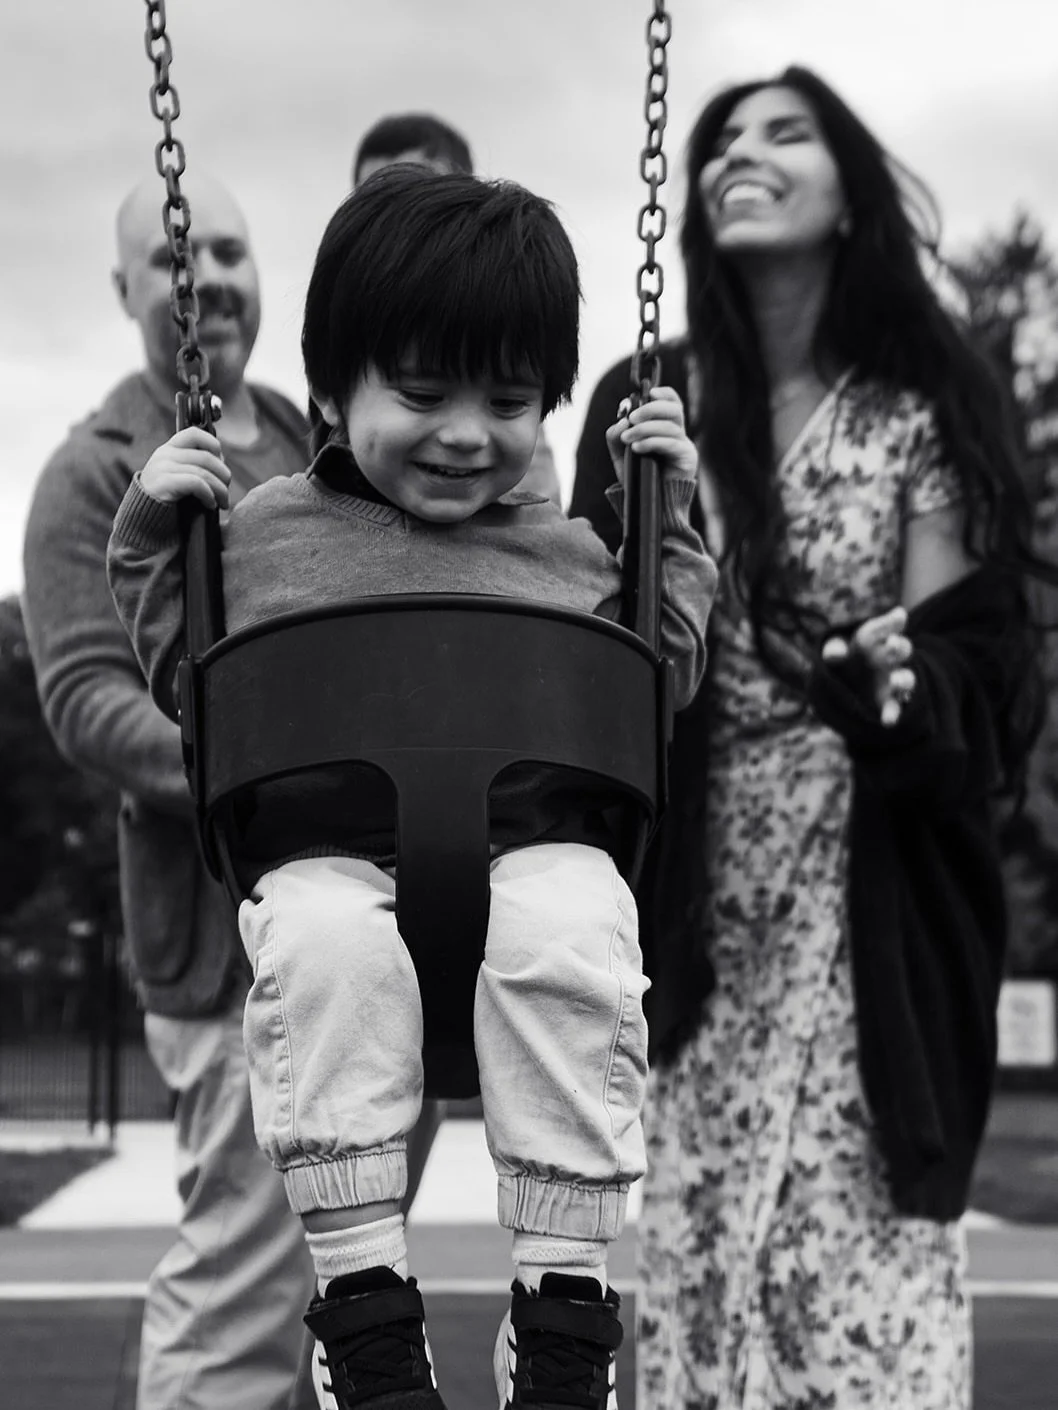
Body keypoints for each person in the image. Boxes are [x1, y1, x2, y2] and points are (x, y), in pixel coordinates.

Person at [107, 166, 717, 1410]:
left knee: (581, 922)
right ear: (331, 389)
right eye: (422, 393)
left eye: (507, 401)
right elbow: (188, 677)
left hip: (531, 851)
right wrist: (151, 533)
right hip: (336, 853)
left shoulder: (569, 548)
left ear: (549, 402)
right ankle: (362, 1309)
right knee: (320, 938)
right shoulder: (262, 533)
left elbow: (660, 677)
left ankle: (561, 1302)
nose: (464, 434)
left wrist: (671, 518)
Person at [572, 66, 1047, 1410]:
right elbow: (589, 636)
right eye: (721, 136)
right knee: (692, 1277)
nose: (740, 150)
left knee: (856, 1299)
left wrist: (889, 687)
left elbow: (966, 668)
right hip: (694, 896)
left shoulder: (916, 409)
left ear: (848, 194)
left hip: (866, 900)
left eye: (785, 133)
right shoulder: (649, 394)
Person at [22, 173, 317, 1410]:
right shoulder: (92, 474)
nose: (209, 285)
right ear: (125, 291)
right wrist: (258, 761)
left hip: (365, 910)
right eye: (174, 265)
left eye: (232, 253)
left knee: (330, 1275)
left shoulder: (316, 440)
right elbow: (89, 697)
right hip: (218, 935)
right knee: (246, 1271)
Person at [351, 111, 563, 508]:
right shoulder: (356, 338)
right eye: (375, 197)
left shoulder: (507, 348)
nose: (400, 215)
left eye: (421, 189)